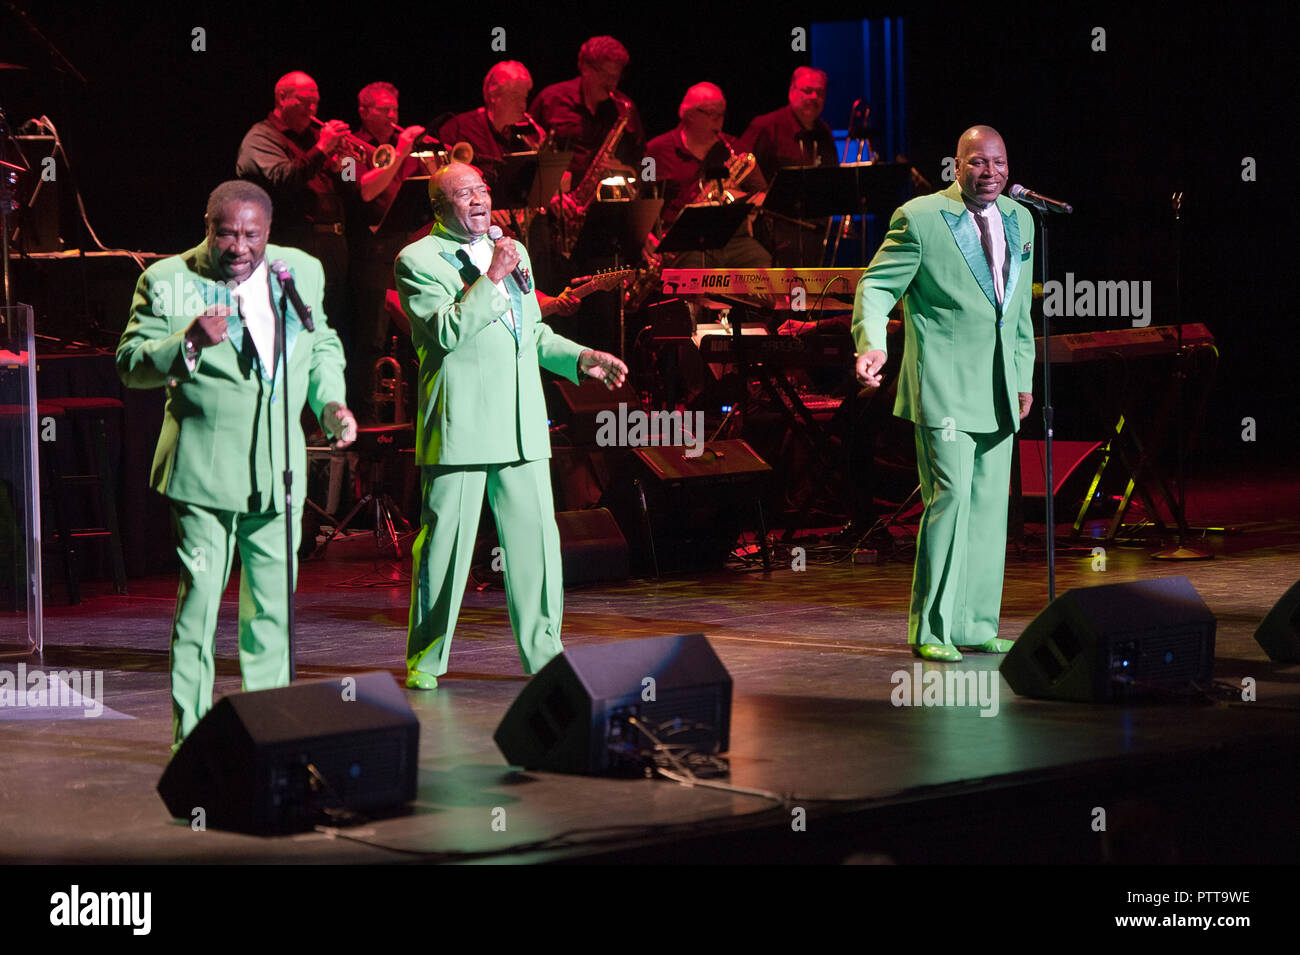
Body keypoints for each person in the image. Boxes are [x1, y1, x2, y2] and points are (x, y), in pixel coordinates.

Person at [116, 180, 358, 745]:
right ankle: (191, 737)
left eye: (252, 234)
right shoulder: (168, 280)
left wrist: (330, 401)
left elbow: (321, 345)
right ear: (208, 226)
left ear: (269, 233)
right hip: (202, 474)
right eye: (226, 232)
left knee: (272, 609)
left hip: (277, 474)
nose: (239, 246)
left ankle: (270, 730)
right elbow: (130, 364)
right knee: (200, 606)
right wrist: (188, 342)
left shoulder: (300, 271)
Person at [394, 163, 626, 689]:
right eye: (463, 193)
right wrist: (492, 276)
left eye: (481, 190)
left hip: (521, 425)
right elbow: (446, 332)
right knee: (444, 552)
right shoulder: (416, 260)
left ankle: (545, 655)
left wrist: (580, 356)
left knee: (536, 549)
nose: (477, 201)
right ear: (439, 206)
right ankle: (426, 660)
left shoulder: (514, 250)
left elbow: (531, 333)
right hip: (462, 428)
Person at [852, 126, 1035, 662]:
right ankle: (931, 628)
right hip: (945, 386)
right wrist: (872, 341)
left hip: (999, 385)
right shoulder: (921, 217)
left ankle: (975, 624)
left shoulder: (1021, 219)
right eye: (978, 162)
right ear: (956, 165)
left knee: (987, 509)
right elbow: (877, 284)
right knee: (950, 498)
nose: (990, 173)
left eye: (999, 163)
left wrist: (1022, 377)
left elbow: (1017, 312)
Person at [644, 82, 770, 270]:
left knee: (760, 259)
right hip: (682, 244)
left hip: (730, 237)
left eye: (722, 114)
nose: (719, 120)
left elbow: (762, 195)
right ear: (689, 114)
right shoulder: (657, 150)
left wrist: (740, 198)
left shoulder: (735, 149)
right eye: (712, 113)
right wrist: (648, 237)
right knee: (694, 268)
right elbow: (643, 199)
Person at [736, 67, 839, 265]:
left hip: (813, 229)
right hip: (773, 231)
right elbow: (739, 171)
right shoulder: (766, 126)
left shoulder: (824, 131)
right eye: (807, 90)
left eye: (820, 93)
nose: (814, 97)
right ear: (792, 90)